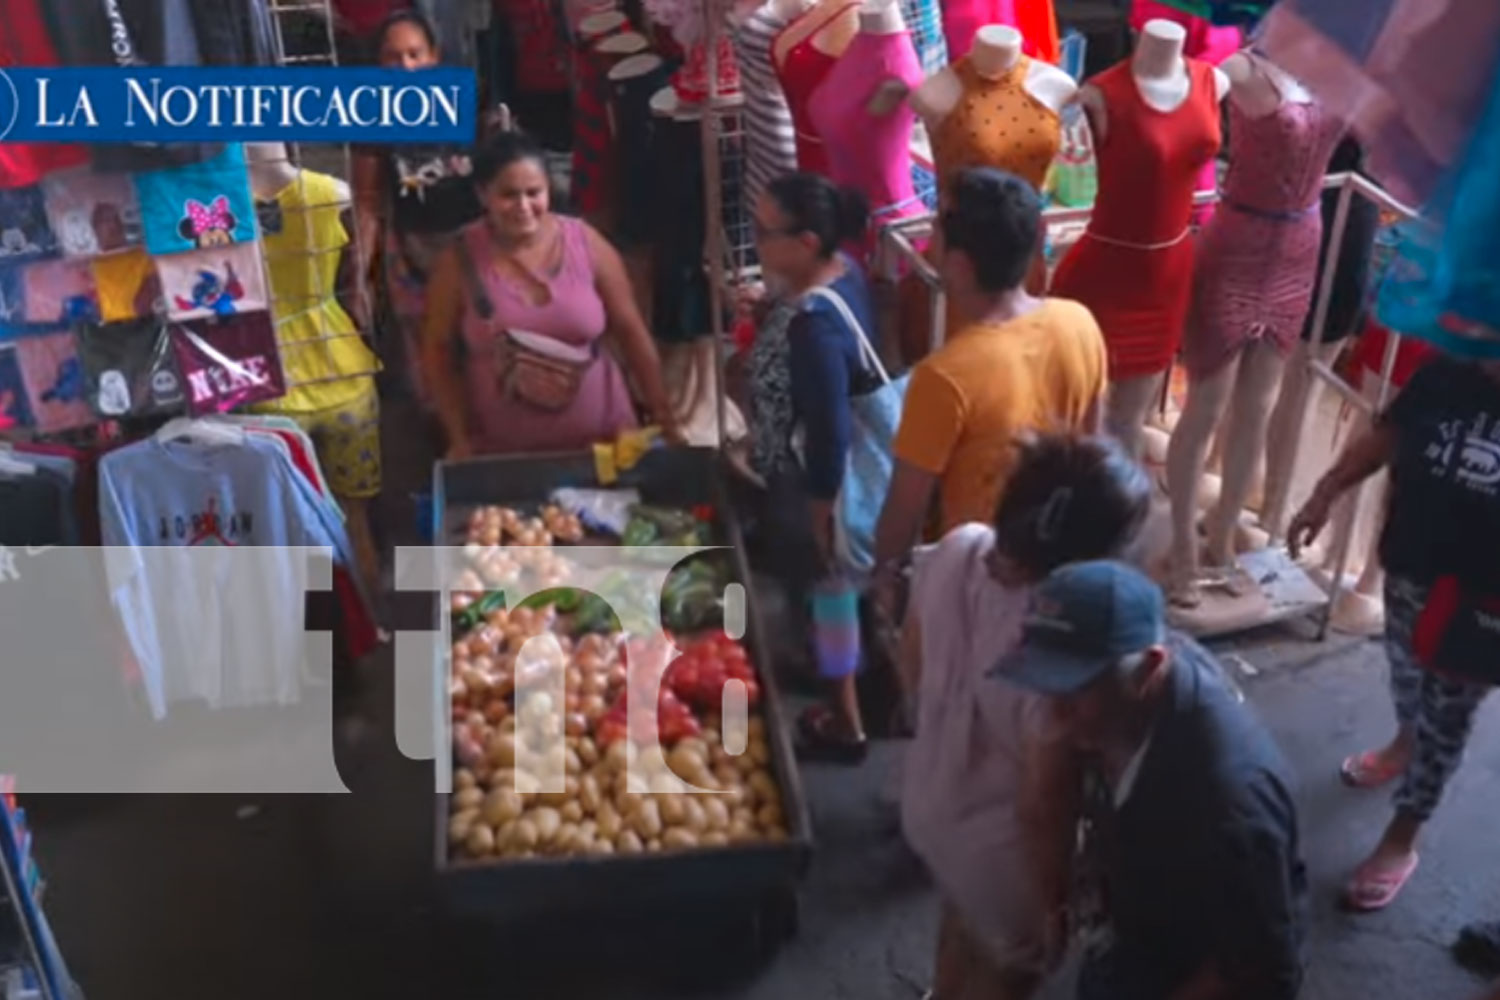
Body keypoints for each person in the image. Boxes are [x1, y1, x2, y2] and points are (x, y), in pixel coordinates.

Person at [903, 433, 1151, 1000]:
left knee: (959, 922)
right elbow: (1045, 802)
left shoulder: (958, 547)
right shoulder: (1058, 651)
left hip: (932, 801)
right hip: (1005, 860)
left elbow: (912, 664)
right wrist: (1054, 902)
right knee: (1002, 971)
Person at [1000, 560, 1308, 1000]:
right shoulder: (1131, 696)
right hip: (1143, 920)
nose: (1054, 716)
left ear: (1149, 668)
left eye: (1074, 688)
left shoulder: (1229, 804)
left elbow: (1263, 970)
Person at [1287, 352, 1500, 910]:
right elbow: (1386, 436)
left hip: (1483, 602)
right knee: (1406, 675)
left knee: (1446, 718)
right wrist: (1324, 493)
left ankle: (1402, 836)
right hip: (1408, 570)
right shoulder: (1446, 370)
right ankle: (1406, 741)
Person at [872, 167, 1106, 610]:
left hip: (977, 580)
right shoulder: (1080, 324)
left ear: (959, 263)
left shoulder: (944, 376)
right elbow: (1092, 455)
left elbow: (906, 508)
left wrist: (885, 579)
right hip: (1055, 564)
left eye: (938, 223)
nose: (931, 232)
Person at [420, 131, 675, 457]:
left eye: (533, 193)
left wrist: (663, 415)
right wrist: (458, 435)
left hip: (606, 448)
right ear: (483, 195)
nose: (523, 206)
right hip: (502, 455)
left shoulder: (587, 243)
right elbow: (437, 352)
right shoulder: (459, 261)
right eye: (508, 195)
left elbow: (631, 330)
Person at [745, 172, 881, 761]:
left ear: (804, 244)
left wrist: (820, 511)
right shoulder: (842, 274)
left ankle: (844, 719)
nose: (755, 243)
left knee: (829, 593)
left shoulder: (817, 329)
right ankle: (838, 668)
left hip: (817, 484)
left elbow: (826, 432)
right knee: (834, 593)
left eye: (764, 233)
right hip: (814, 475)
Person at [352, 9, 486, 416]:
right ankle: (447, 440)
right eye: (393, 58)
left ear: (435, 57)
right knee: (430, 362)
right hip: (413, 254)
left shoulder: (469, 103)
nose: (406, 67)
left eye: (415, 54)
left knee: (482, 352)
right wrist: (361, 274)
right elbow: (368, 201)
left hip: (473, 251)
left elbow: (502, 180)